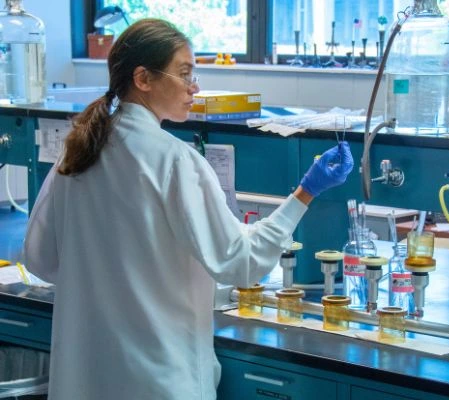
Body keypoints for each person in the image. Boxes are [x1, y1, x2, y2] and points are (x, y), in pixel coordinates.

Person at [22, 20, 353, 398]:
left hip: (85, 379)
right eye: (184, 73)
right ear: (143, 78)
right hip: (158, 380)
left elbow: (39, 258)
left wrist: (104, 279)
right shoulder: (175, 160)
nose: (194, 86)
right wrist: (306, 192)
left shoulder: (76, 152)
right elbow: (242, 262)